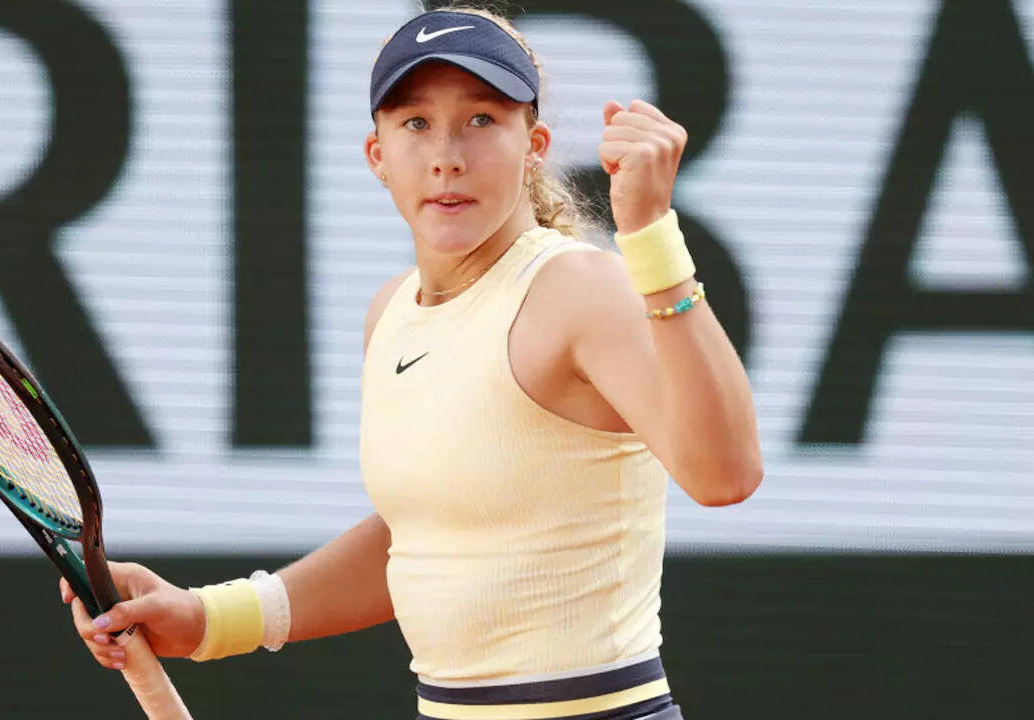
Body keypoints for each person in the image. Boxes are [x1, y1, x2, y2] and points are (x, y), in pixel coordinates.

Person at [60, 7, 761, 719]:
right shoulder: (391, 312)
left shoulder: (580, 286)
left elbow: (725, 475)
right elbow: (421, 538)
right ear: (378, 155)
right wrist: (210, 619)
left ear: (534, 146)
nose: (447, 155)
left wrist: (651, 237)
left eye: (482, 119)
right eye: (416, 123)